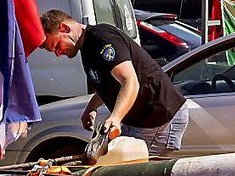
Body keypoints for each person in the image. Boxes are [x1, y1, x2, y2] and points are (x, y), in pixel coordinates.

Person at [39, 10, 190, 155]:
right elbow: (109, 84)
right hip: (139, 119)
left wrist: (115, 118)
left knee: (135, 172)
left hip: (160, 114)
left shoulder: (102, 38)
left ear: (64, 28)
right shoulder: (87, 48)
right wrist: (91, 107)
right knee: (117, 163)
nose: (58, 54)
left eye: (57, 46)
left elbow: (129, 80)